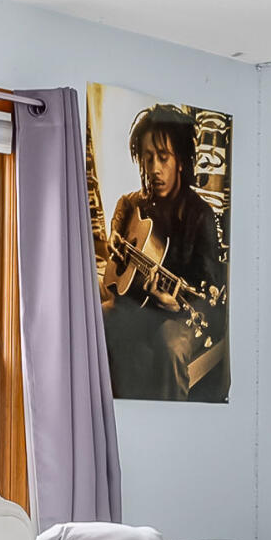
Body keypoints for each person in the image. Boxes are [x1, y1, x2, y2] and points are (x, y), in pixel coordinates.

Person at [98, 107, 224, 400]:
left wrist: (173, 304)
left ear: (180, 159)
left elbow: (208, 291)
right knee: (96, 320)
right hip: (135, 304)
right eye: (147, 157)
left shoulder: (200, 215)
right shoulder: (138, 202)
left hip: (178, 312)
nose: (154, 168)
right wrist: (115, 234)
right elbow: (122, 208)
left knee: (172, 347)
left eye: (163, 157)